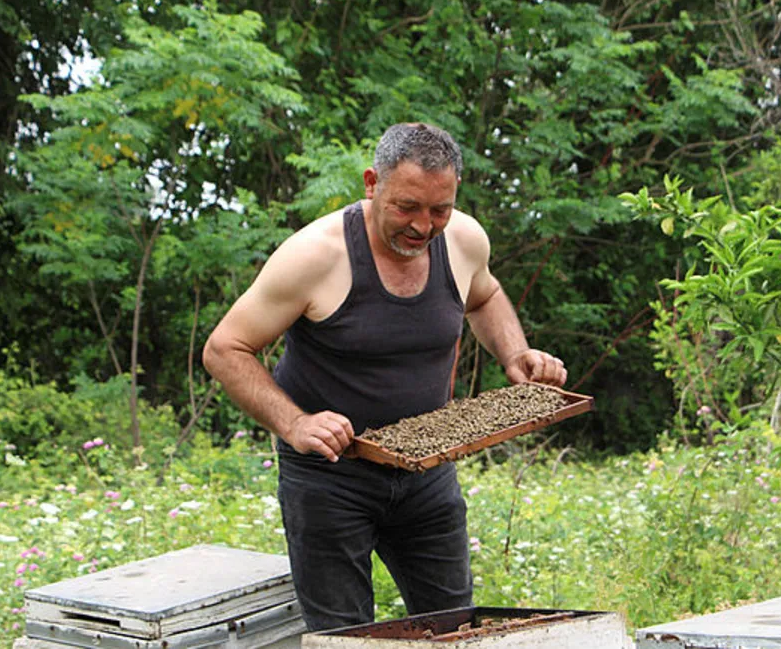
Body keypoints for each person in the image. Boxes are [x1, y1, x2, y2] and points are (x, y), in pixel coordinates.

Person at [202, 122, 567, 631]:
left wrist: (516, 352)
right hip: (330, 479)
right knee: (345, 637)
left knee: (452, 628)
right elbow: (225, 349)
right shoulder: (315, 256)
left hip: (427, 471)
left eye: (440, 209)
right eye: (407, 207)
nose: (423, 226)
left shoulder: (463, 239)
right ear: (372, 183)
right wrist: (296, 424)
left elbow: (483, 294)